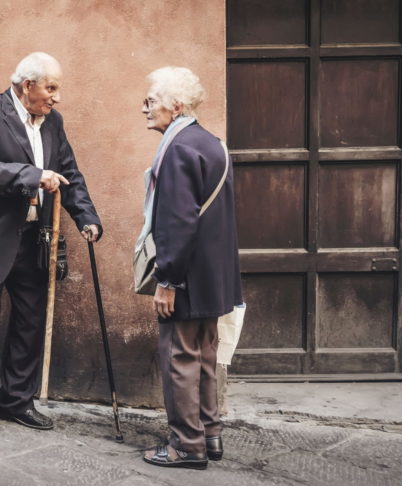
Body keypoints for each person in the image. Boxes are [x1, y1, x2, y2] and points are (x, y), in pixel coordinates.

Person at [0, 52, 102, 437]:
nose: (56, 97)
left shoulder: (54, 122)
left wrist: (87, 218)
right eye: (51, 87)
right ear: (27, 85)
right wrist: (33, 175)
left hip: (34, 240)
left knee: (30, 323)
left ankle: (17, 400)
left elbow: (69, 173)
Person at [136, 67, 242, 469]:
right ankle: (210, 435)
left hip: (187, 277)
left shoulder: (178, 148)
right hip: (213, 276)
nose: (144, 108)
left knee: (180, 357)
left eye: (151, 101)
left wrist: (168, 281)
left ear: (175, 106)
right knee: (205, 355)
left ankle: (186, 445)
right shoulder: (212, 143)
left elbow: (178, 221)